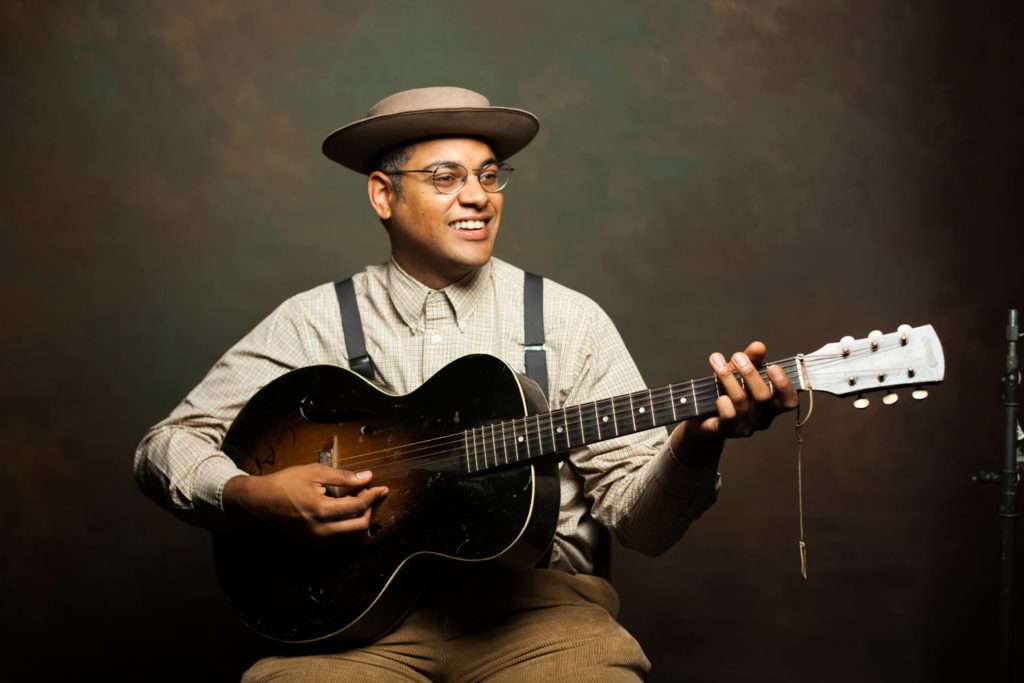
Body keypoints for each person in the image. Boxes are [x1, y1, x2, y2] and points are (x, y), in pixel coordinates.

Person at [134, 86, 799, 681]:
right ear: (383, 194)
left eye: (488, 175)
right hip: (356, 627)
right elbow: (166, 444)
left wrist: (699, 442)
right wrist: (250, 495)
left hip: (542, 618)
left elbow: (642, 527)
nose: (478, 196)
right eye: (446, 177)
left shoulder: (567, 321)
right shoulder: (315, 320)